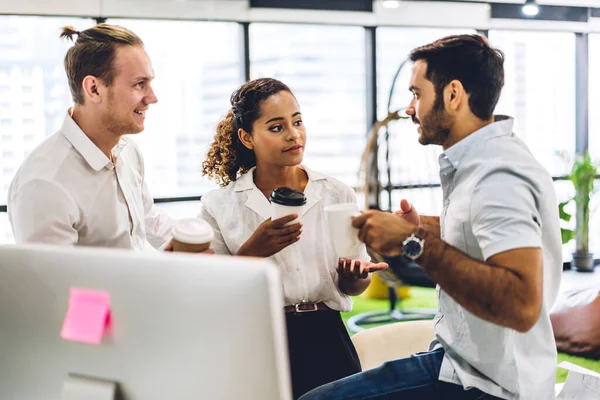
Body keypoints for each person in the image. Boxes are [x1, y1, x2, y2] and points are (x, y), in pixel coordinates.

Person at [301, 34, 562, 400]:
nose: (410, 108)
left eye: (417, 94)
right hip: (458, 359)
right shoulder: (482, 161)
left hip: (488, 384)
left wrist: (413, 242)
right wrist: (423, 226)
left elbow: (521, 305)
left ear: (453, 95)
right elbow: (481, 232)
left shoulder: (498, 174)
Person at [200, 77, 388, 399]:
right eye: (276, 127)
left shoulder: (336, 192)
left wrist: (353, 276)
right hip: (260, 340)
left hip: (329, 339)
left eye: (297, 121)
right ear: (247, 137)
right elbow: (213, 295)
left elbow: (353, 286)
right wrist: (252, 252)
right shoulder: (220, 205)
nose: (293, 134)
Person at [8, 24, 173, 251]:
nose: (152, 98)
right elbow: (57, 285)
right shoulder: (44, 184)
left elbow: (149, 223)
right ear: (94, 89)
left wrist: (214, 249)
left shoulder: (127, 151)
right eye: (139, 84)